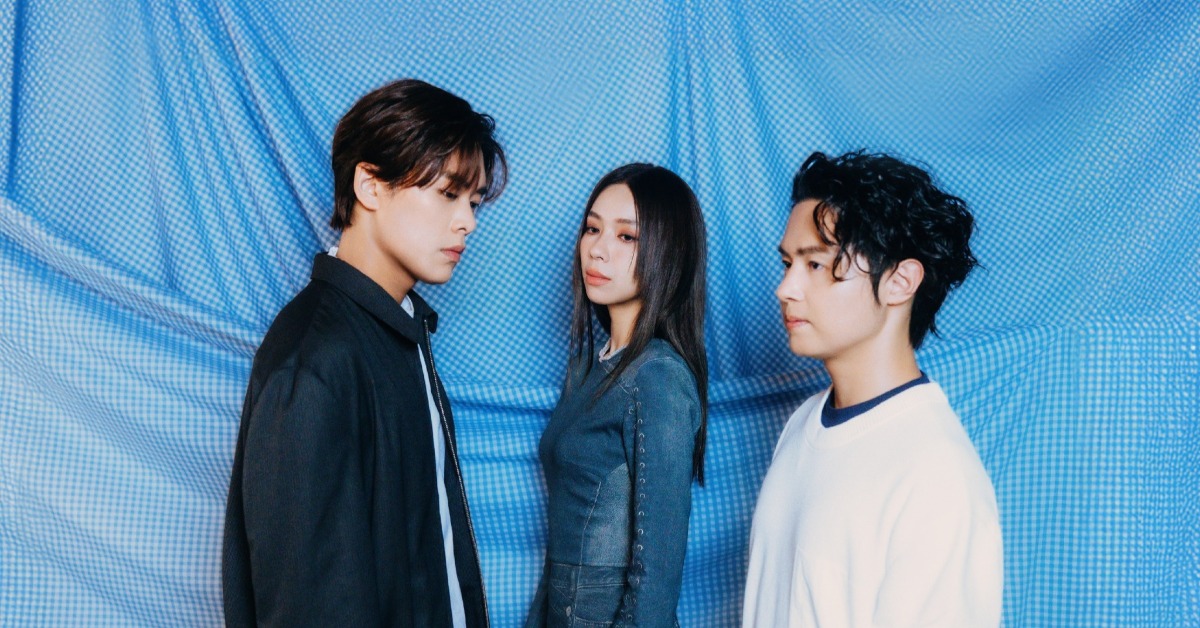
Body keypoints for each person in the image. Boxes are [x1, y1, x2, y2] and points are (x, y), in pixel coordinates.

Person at [222, 79, 507, 627]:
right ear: (370, 186)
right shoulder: (315, 360)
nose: (468, 222)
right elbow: (309, 605)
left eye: (473, 202)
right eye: (448, 194)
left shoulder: (401, 329)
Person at [743, 151, 1003, 627]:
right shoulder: (803, 423)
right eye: (787, 263)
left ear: (900, 281)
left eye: (815, 264)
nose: (785, 288)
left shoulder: (936, 477)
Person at [525, 164, 708, 628]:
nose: (597, 249)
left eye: (627, 236)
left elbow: (657, 577)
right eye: (592, 229)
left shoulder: (658, 377)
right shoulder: (587, 367)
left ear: (669, 252)